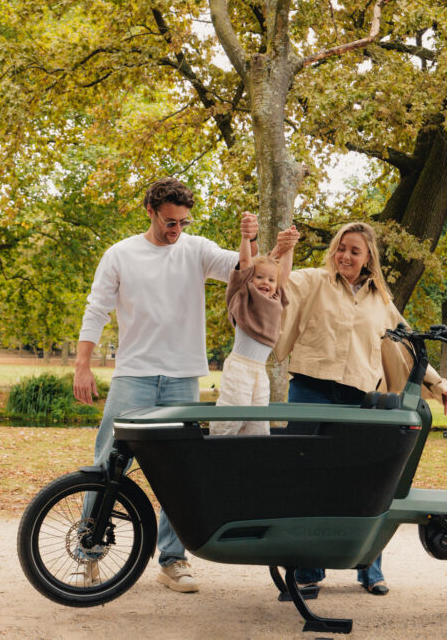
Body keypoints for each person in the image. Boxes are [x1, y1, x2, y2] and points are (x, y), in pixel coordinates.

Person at [72, 177, 258, 593]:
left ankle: (172, 559)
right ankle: (89, 552)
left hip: (181, 378)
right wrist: (82, 365)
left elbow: (245, 268)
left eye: (183, 222)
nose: (176, 230)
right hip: (133, 375)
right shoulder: (121, 254)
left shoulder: (196, 249)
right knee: (107, 464)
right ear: (152, 213)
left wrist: (251, 238)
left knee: (179, 473)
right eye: (170, 222)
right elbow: (96, 309)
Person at [273, 221, 447, 596]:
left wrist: (438, 384)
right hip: (310, 390)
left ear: (368, 257)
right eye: (341, 248)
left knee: (365, 482)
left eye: (355, 251)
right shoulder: (312, 281)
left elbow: (409, 344)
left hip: (359, 399)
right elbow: (274, 286)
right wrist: (279, 251)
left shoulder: (380, 301)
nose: (345, 256)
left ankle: (369, 567)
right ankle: (308, 571)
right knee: (307, 480)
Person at [209, 218, 298, 436]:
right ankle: (216, 457)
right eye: (259, 277)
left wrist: (289, 247)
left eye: (270, 279)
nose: (265, 283)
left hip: (259, 371)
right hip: (240, 367)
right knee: (230, 420)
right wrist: (246, 238)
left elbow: (284, 272)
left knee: (258, 426)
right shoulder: (244, 294)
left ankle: (251, 465)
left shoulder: (277, 297)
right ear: (251, 279)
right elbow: (244, 261)